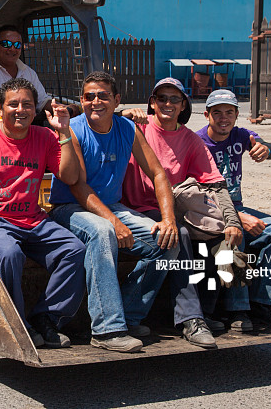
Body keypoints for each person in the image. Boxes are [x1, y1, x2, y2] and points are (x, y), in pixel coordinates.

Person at [50, 71, 180, 353]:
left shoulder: (127, 129)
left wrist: (168, 219)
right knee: (102, 231)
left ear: (116, 99)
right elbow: (78, 187)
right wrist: (113, 221)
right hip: (69, 208)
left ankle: (130, 314)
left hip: (113, 207)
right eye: (88, 97)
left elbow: (158, 173)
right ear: (81, 101)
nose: (95, 102)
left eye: (103, 96)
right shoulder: (73, 129)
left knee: (168, 242)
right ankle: (107, 329)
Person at [0, 78, 86, 349]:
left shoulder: (46, 137)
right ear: (1, 108)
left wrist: (63, 133)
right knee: (9, 253)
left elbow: (70, 177)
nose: (20, 109)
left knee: (74, 249)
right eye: (13, 104)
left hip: (33, 220)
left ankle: (46, 319)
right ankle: (16, 324)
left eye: (27, 104)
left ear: (35, 109)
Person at [121, 77, 243, 347]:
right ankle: (191, 319)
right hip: (136, 210)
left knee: (222, 238)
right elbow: (100, 121)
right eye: (161, 98)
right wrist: (122, 114)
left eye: (174, 99)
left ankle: (224, 310)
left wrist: (233, 222)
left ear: (183, 104)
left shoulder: (189, 140)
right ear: (152, 103)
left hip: (173, 211)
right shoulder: (136, 128)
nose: (167, 103)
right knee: (181, 235)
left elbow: (214, 182)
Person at [196, 89, 271, 327]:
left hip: (238, 206)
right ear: (207, 115)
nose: (224, 118)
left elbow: (267, 146)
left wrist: (265, 149)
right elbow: (200, 194)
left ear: (237, 115)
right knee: (235, 233)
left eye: (229, 112)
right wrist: (238, 218)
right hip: (208, 210)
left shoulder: (240, 135)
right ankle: (236, 310)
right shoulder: (198, 143)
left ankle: (266, 304)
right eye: (217, 113)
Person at [0, 26, 77, 115]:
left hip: (25, 128)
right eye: (6, 44)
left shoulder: (28, 73)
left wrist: (63, 108)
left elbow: (42, 101)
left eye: (17, 45)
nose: (12, 49)